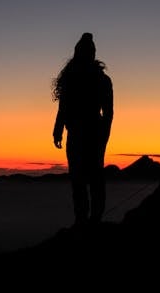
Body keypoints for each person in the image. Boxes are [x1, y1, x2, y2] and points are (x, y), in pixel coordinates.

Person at [52, 32, 113, 226]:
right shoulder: (92, 80)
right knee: (86, 178)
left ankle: (88, 219)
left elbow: (108, 112)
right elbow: (108, 113)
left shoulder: (79, 79)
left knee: (86, 178)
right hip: (85, 134)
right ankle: (86, 219)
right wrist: (58, 129)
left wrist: (58, 130)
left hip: (85, 134)